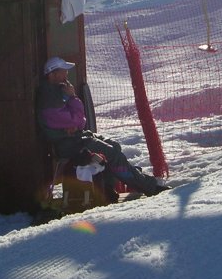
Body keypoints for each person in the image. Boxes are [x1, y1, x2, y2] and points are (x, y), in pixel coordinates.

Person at [36, 56, 168, 198]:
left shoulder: (56, 91)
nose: (66, 74)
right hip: (69, 144)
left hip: (74, 138)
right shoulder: (50, 98)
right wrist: (73, 98)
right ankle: (149, 187)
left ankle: (108, 189)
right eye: (63, 71)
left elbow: (80, 122)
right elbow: (78, 119)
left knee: (114, 146)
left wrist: (74, 119)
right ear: (52, 74)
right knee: (112, 153)